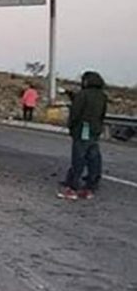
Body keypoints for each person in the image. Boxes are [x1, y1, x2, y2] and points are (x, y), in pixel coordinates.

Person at [57, 71, 108, 200]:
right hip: (95, 129)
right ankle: (90, 187)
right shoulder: (102, 96)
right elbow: (102, 114)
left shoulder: (83, 94)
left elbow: (76, 112)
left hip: (83, 129)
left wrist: (71, 127)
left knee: (79, 158)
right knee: (94, 159)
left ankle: (72, 188)